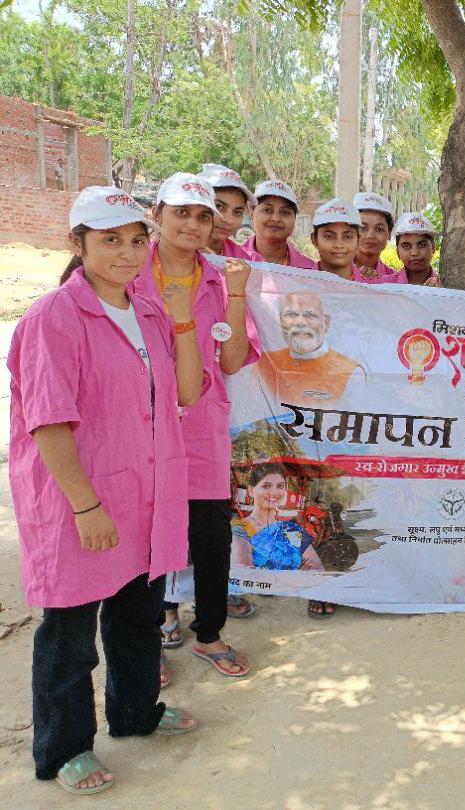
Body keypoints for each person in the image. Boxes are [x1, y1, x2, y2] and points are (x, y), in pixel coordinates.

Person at [9, 187, 202, 795]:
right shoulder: (54, 318)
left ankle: (136, 711)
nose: (127, 253)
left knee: (137, 615)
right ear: (78, 243)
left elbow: (187, 392)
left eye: (137, 241)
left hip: (145, 494)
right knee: (70, 633)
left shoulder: (147, 312)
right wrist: (86, 505)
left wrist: (182, 313)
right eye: (110, 240)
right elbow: (47, 422)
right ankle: (65, 748)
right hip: (82, 500)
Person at [133, 172, 261, 682]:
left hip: (204, 424)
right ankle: (146, 641)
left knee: (210, 536)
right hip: (140, 424)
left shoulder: (221, 278)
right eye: (181, 212)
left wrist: (236, 296)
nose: (193, 224)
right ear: (157, 215)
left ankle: (209, 632)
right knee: (144, 537)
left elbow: (230, 361)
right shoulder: (128, 272)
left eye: (203, 216)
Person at [231, 465, 328, 618]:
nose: (274, 492)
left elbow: (315, 565)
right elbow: (244, 572)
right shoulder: (238, 528)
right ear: (251, 490)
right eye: (266, 486)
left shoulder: (290, 528)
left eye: (280, 486)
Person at [257, 291, 366, 409]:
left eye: (310, 315)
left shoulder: (350, 372)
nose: (300, 322)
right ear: (280, 320)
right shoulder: (265, 363)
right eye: (291, 314)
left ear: (326, 323)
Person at [245, 179, 318, 269]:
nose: (275, 218)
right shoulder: (232, 261)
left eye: (284, 212)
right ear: (251, 213)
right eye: (267, 210)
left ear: (295, 218)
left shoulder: (310, 271)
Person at [198, 163, 257, 259]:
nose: (229, 220)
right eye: (219, 206)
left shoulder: (248, 261)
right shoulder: (173, 254)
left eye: (237, 212)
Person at [311, 199, 364, 280]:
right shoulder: (297, 284)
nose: (339, 245)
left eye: (347, 237)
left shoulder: (376, 285)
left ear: (359, 240)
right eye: (329, 236)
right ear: (314, 239)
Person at [352, 191, 397, 281]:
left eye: (379, 229)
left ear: (389, 234)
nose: (370, 235)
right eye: (363, 228)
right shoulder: (332, 273)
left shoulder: (394, 280)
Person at [386, 212, 440, 285]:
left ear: (433, 248)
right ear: (397, 252)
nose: (415, 253)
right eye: (406, 246)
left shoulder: (447, 285)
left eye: (422, 245)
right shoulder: (382, 285)